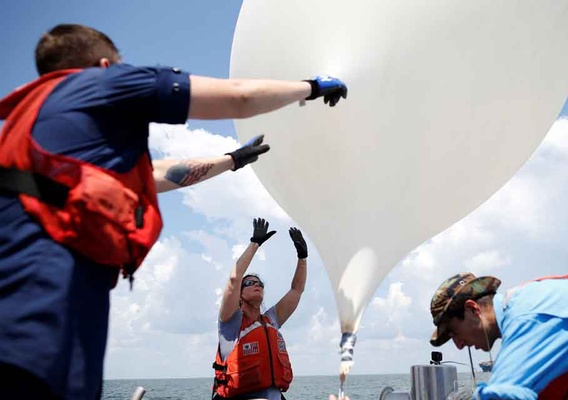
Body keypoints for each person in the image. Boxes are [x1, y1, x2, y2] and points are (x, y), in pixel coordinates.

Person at [0, 23, 348, 399]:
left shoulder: (36, 126)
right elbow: (240, 97)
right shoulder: (103, 83)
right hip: (49, 297)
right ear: (104, 64)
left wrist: (231, 159)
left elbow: (162, 174)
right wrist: (312, 86)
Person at [429, 272, 568, 399]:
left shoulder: (529, 315)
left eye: (454, 332)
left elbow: (503, 396)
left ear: (473, 309)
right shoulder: (523, 311)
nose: (458, 345)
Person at [213, 218, 308, 400]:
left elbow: (297, 290)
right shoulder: (231, 322)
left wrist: (302, 257)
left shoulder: (272, 319)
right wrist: (255, 244)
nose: (257, 285)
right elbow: (234, 279)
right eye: (250, 283)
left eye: (260, 284)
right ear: (239, 294)